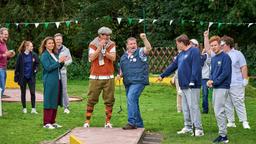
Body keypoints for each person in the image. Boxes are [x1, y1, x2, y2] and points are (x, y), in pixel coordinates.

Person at [157, 34, 204, 136]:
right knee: (185, 107)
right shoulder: (181, 54)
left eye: (177, 44)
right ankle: (188, 127)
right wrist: (163, 75)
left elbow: (196, 67)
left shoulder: (194, 51)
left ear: (182, 43)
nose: (176, 46)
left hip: (192, 85)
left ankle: (199, 129)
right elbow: (173, 66)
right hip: (183, 85)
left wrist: (192, 80)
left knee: (193, 107)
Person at [118, 33, 152, 130]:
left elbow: (148, 48)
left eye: (134, 44)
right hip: (128, 82)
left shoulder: (140, 52)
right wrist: (119, 75)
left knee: (131, 97)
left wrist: (144, 39)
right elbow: (121, 69)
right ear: (127, 45)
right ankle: (139, 124)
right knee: (133, 101)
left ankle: (131, 122)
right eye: (131, 44)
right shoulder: (123, 57)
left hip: (139, 81)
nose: (133, 45)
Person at [84, 26, 116, 128]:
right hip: (95, 76)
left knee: (109, 100)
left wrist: (105, 53)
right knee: (91, 99)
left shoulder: (112, 44)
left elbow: (113, 58)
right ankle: (87, 121)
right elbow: (91, 58)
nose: (106, 37)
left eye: (108, 35)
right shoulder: (93, 44)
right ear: (100, 35)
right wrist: (99, 48)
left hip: (109, 76)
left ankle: (107, 122)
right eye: (104, 35)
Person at [221, 35, 250, 129]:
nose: (221, 46)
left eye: (223, 44)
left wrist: (245, 79)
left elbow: (243, 66)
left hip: (236, 82)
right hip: (225, 83)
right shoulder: (221, 54)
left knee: (239, 102)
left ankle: (244, 121)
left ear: (228, 44)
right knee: (227, 103)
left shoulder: (237, 54)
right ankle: (231, 121)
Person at [207, 36, 231, 143]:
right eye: (211, 45)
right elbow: (212, 73)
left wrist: (215, 82)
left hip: (222, 87)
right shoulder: (214, 58)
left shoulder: (225, 57)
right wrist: (210, 80)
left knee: (219, 111)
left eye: (215, 45)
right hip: (216, 87)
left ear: (219, 45)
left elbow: (225, 73)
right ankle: (222, 134)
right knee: (218, 110)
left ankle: (223, 136)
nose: (213, 47)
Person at [40, 37, 68, 129]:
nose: (51, 44)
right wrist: (59, 62)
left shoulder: (54, 54)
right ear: (45, 45)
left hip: (57, 80)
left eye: (52, 43)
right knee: (49, 100)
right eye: (49, 43)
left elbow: (57, 67)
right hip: (49, 80)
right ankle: (46, 122)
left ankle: (52, 121)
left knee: (55, 100)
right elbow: (48, 68)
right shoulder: (44, 55)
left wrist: (62, 62)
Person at [14, 41, 39, 114]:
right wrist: (16, 76)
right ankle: (24, 108)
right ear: (26, 47)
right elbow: (17, 67)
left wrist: (36, 69)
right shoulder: (20, 55)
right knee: (23, 93)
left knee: (32, 92)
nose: (32, 47)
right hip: (23, 77)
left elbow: (37, 64)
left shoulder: (34, 55)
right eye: (31, 46)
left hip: (31, 77)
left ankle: (33, 108)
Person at [54, 33, 72, 114]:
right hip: (53, 72)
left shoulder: (66, 50)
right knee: (53, 89)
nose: (58, 41)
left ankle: (66, 107)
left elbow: (70, 60)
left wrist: (63, 63)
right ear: (54, 40)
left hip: (63, 72)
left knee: (64, 90)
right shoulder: (51, 49)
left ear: (62, 40)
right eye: (57, 39)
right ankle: (53, 106)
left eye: (59, 39)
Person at [0, 27, 15, 97]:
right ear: (0, 34)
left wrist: (10, 55)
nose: (7, 36)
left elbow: (5, 56)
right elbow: (3, 55)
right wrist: (5, 54)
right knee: (1, 87)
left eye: (7, 34)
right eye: (5, 34)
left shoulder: (4, 44)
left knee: (2, 87)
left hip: (4, 67)